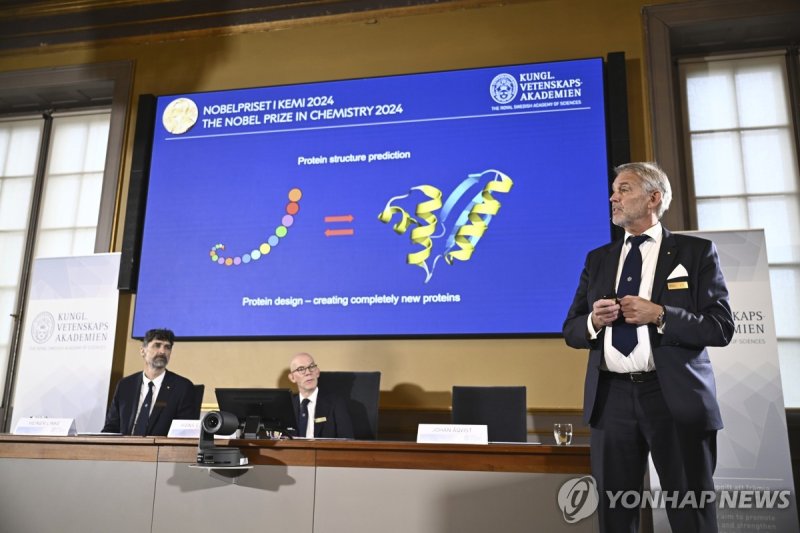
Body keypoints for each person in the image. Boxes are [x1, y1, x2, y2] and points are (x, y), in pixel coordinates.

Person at [563, 162, 734, 533]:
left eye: (624, 189)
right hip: (611, 400)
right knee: (614, 516)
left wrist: (661, 314)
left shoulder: (695, 253)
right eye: (613, 190)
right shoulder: (599, 259)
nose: (613, 197)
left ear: (654, 198)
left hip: (672, 397)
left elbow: (721, 327)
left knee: (691, 513)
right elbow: (571, 330)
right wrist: (594, 321)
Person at [102, 328, 196, 436]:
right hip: (125, 450)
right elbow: (111, 427)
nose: (162, 351)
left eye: (167, 347)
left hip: (161, 451)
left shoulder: (182, 387)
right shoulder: (125, 385)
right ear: (143, 351)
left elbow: (184, 434)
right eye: (157, 345)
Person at [288, 352, 354, 439]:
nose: (308, 372)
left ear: (317, 372)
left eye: (311, 367)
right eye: (301, 369)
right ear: (292, 377)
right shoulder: (288, 406)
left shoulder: (336, 403)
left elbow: (347, 441)